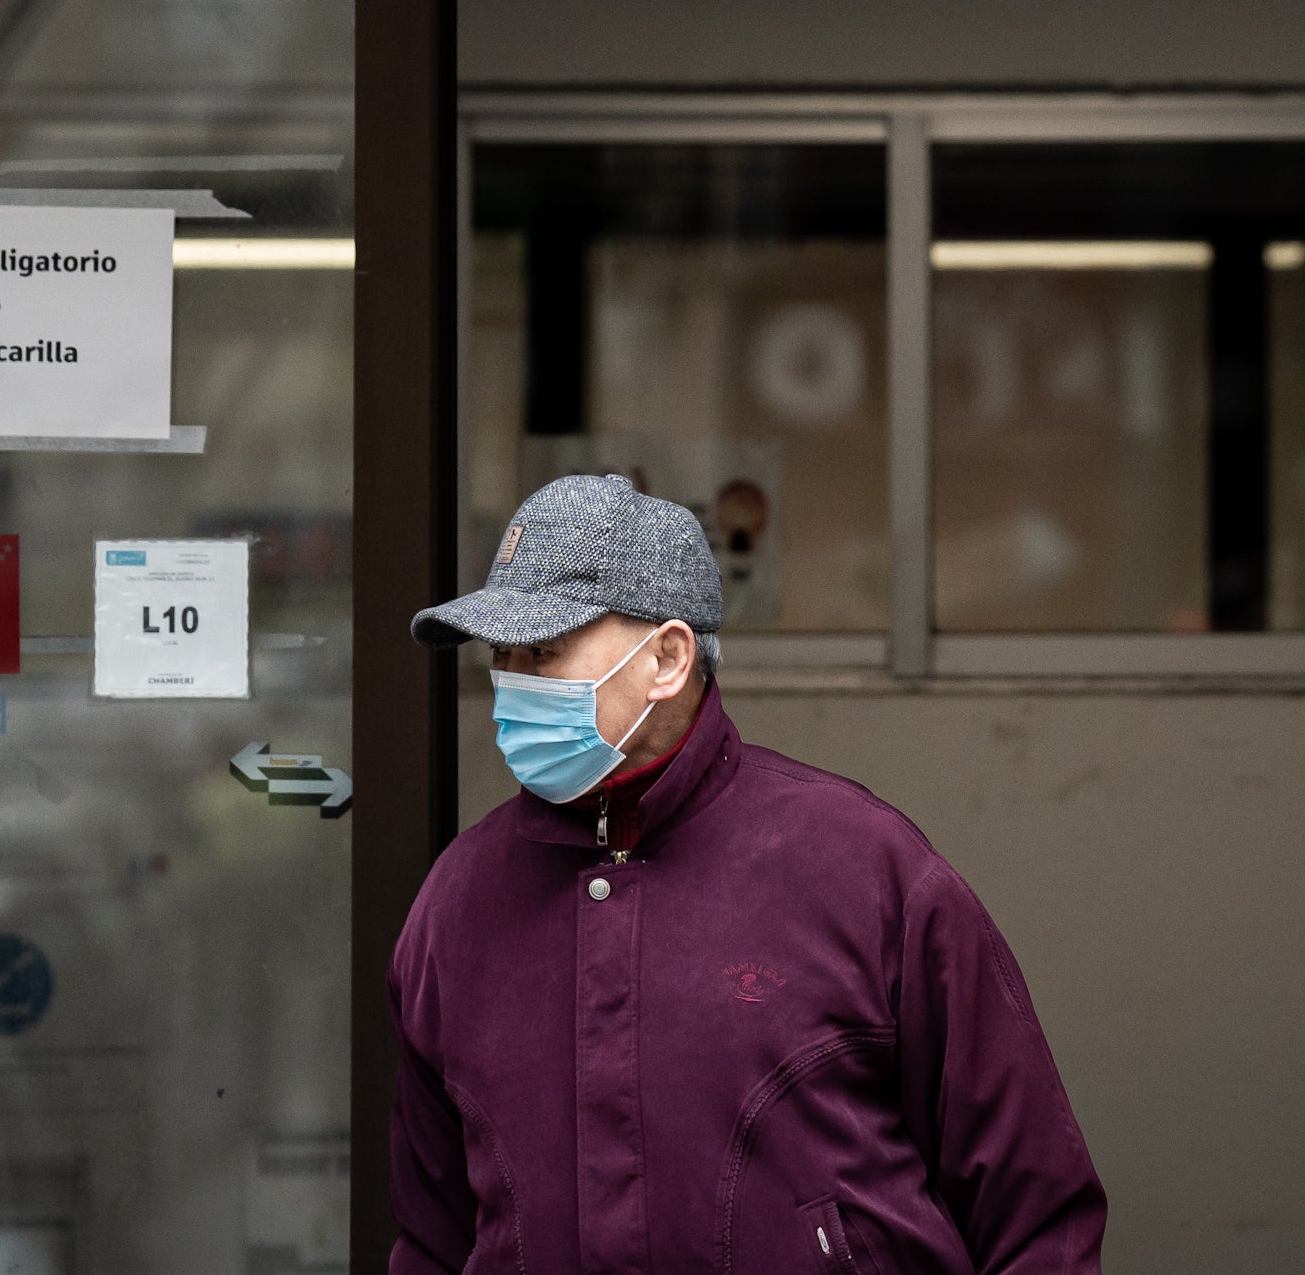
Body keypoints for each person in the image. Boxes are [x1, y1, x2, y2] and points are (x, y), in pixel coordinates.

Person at [391, 472, 1107, 1273]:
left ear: (667, 656)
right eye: (503, 655)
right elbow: (430, 1237)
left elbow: (1039, 1218)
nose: (513, 683)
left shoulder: (861, 868)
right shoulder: (459, 902)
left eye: (546, 651)